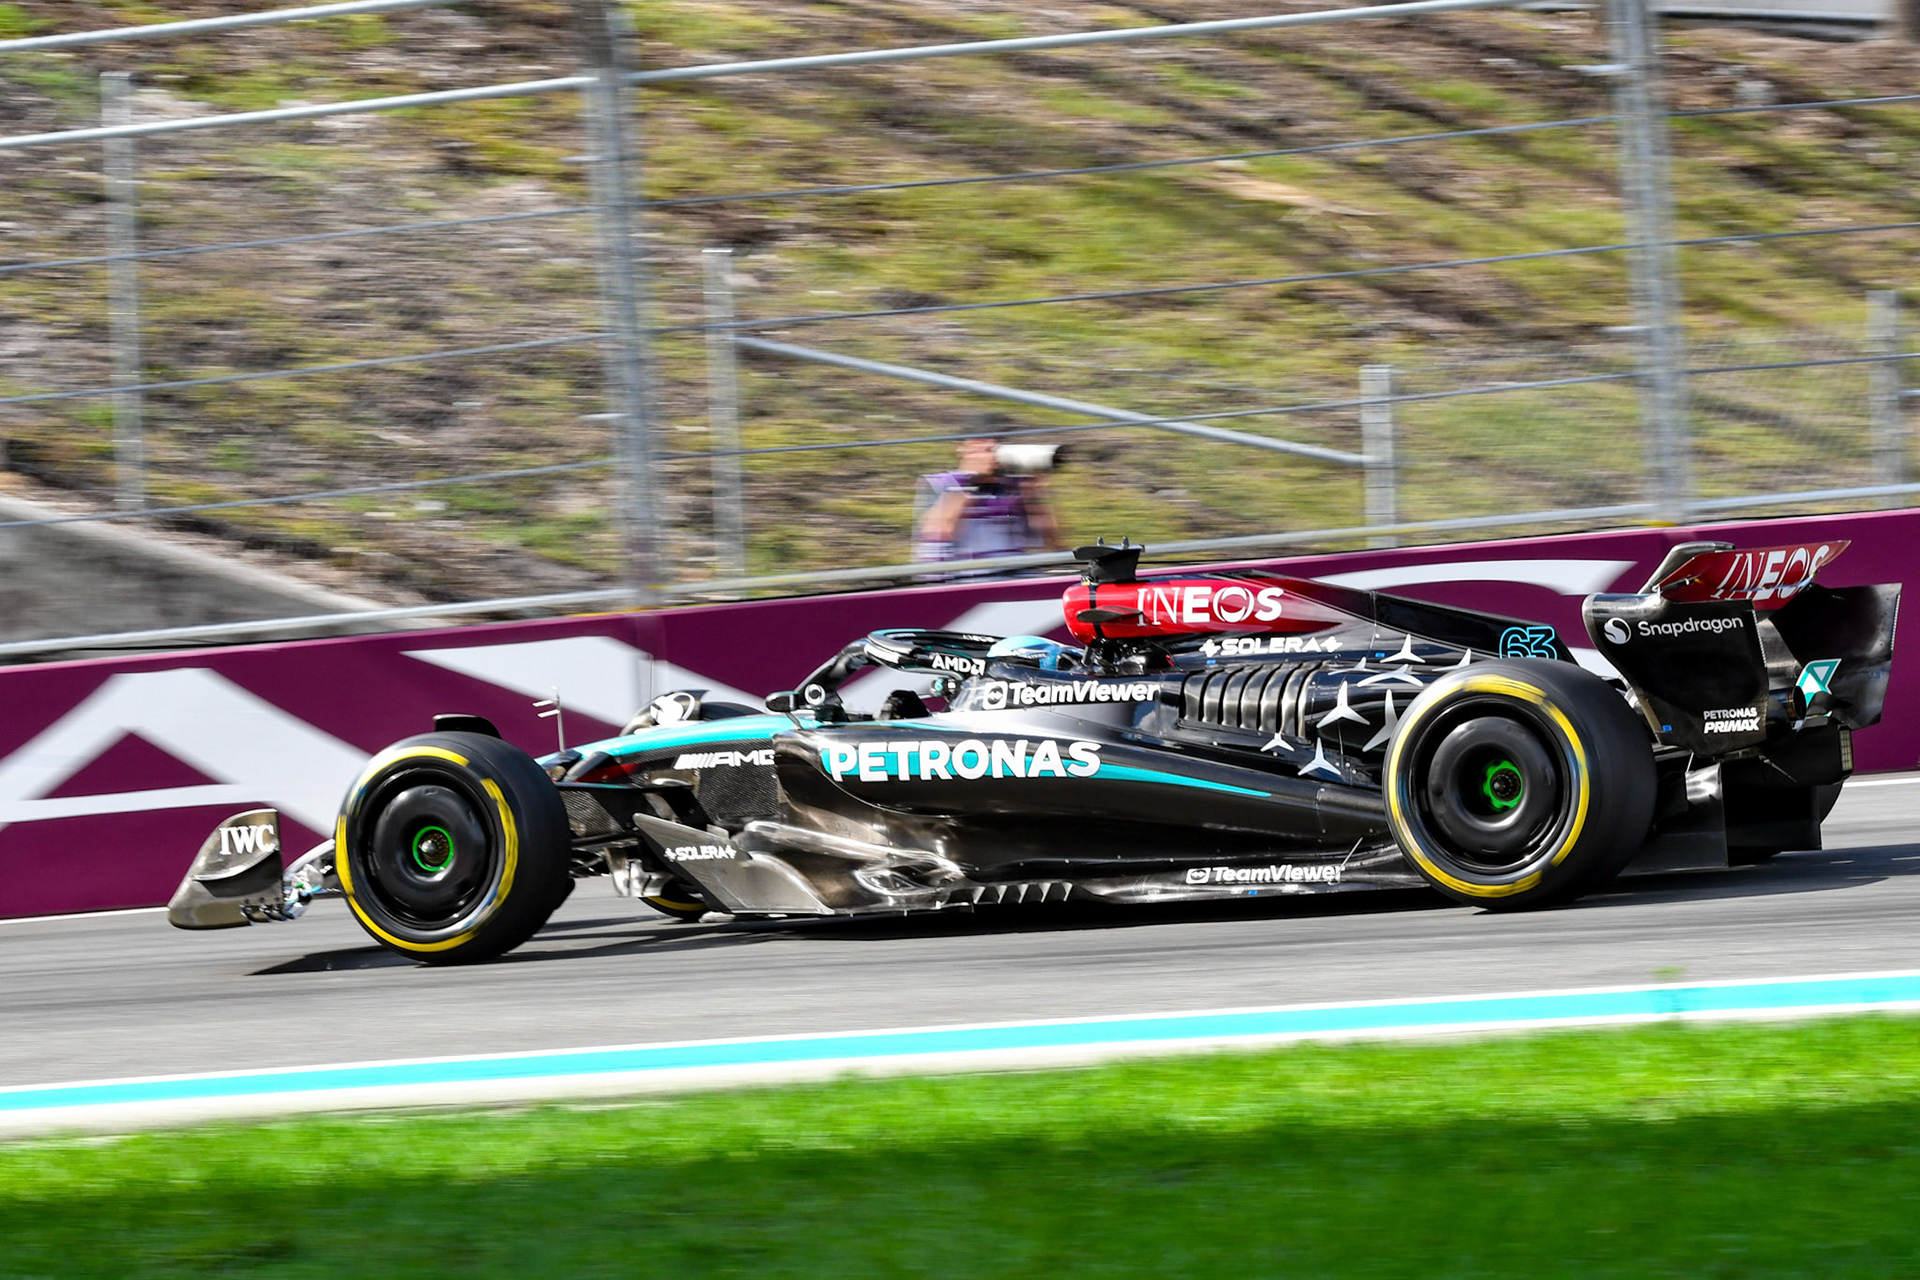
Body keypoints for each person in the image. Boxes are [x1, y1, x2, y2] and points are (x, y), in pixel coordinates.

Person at [913, 430, 1062, 567]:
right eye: (984, 448)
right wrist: (972, 483)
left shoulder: (1013, 486)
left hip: (1017, 577)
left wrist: (1033, 494)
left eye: (996, 445)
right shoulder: (943, 483)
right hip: (971, 580)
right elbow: (935, 536)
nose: (992, 455)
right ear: (962, 448)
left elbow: (1047, 541)